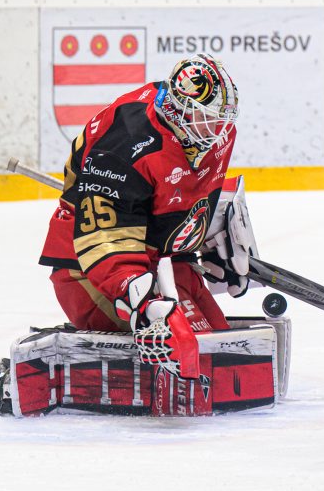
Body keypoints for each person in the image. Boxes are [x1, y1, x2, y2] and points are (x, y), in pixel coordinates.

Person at [38, 54, 254, 378]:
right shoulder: (126, 142)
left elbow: (191, 193)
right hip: (90, 269)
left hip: (162, 261)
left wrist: (219, 242)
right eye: (206, 118)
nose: (219, 129)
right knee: (182, 348)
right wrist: (140, 301)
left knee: (222, 349)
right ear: (178, 110)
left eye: (222, 118)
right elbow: (103, 236)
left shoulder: (210, 134)